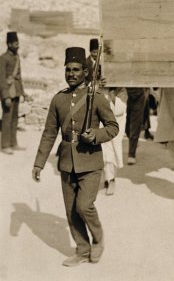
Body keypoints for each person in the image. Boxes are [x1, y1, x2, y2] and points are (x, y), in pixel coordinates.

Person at [31, 47, 119, 267]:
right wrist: (39, 163)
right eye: (68, 70)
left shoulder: (96, 98)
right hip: (67, 162)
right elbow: (49, 133)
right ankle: (82, 249)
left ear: (85, 72)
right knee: (71, 211)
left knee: (84, 205)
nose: (71, 74)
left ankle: (98, 240)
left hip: (90, 161)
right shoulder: (58, 100)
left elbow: (113, 127)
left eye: (76, 70)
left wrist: (96, 135)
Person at [0, 31, 28, 154]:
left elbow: (19, 76)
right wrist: (5, 96)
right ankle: (5, 145)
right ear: (9, 44)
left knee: (14, 118)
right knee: (7, 118)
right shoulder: (3, 58)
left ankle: (13, 142)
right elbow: (1, 79)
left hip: (16, 91)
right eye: (15, 43)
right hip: (8, 92)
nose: (17, 46)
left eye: (18, 43)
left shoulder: (17, 57)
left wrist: (23, 92)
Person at [102, 87, 127, 195]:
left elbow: (121, 109)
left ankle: (111, 179)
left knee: (111, 152)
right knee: (102, 152)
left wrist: (112, 99)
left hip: (115, 123)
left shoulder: (121, 89)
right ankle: (107, 177)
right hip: (99, 122)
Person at [125, 87, 146, 165]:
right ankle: (133, 143)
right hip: (126, 93)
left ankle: (131, 154)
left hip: (139, 94)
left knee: (135, 125)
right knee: (127, 128)